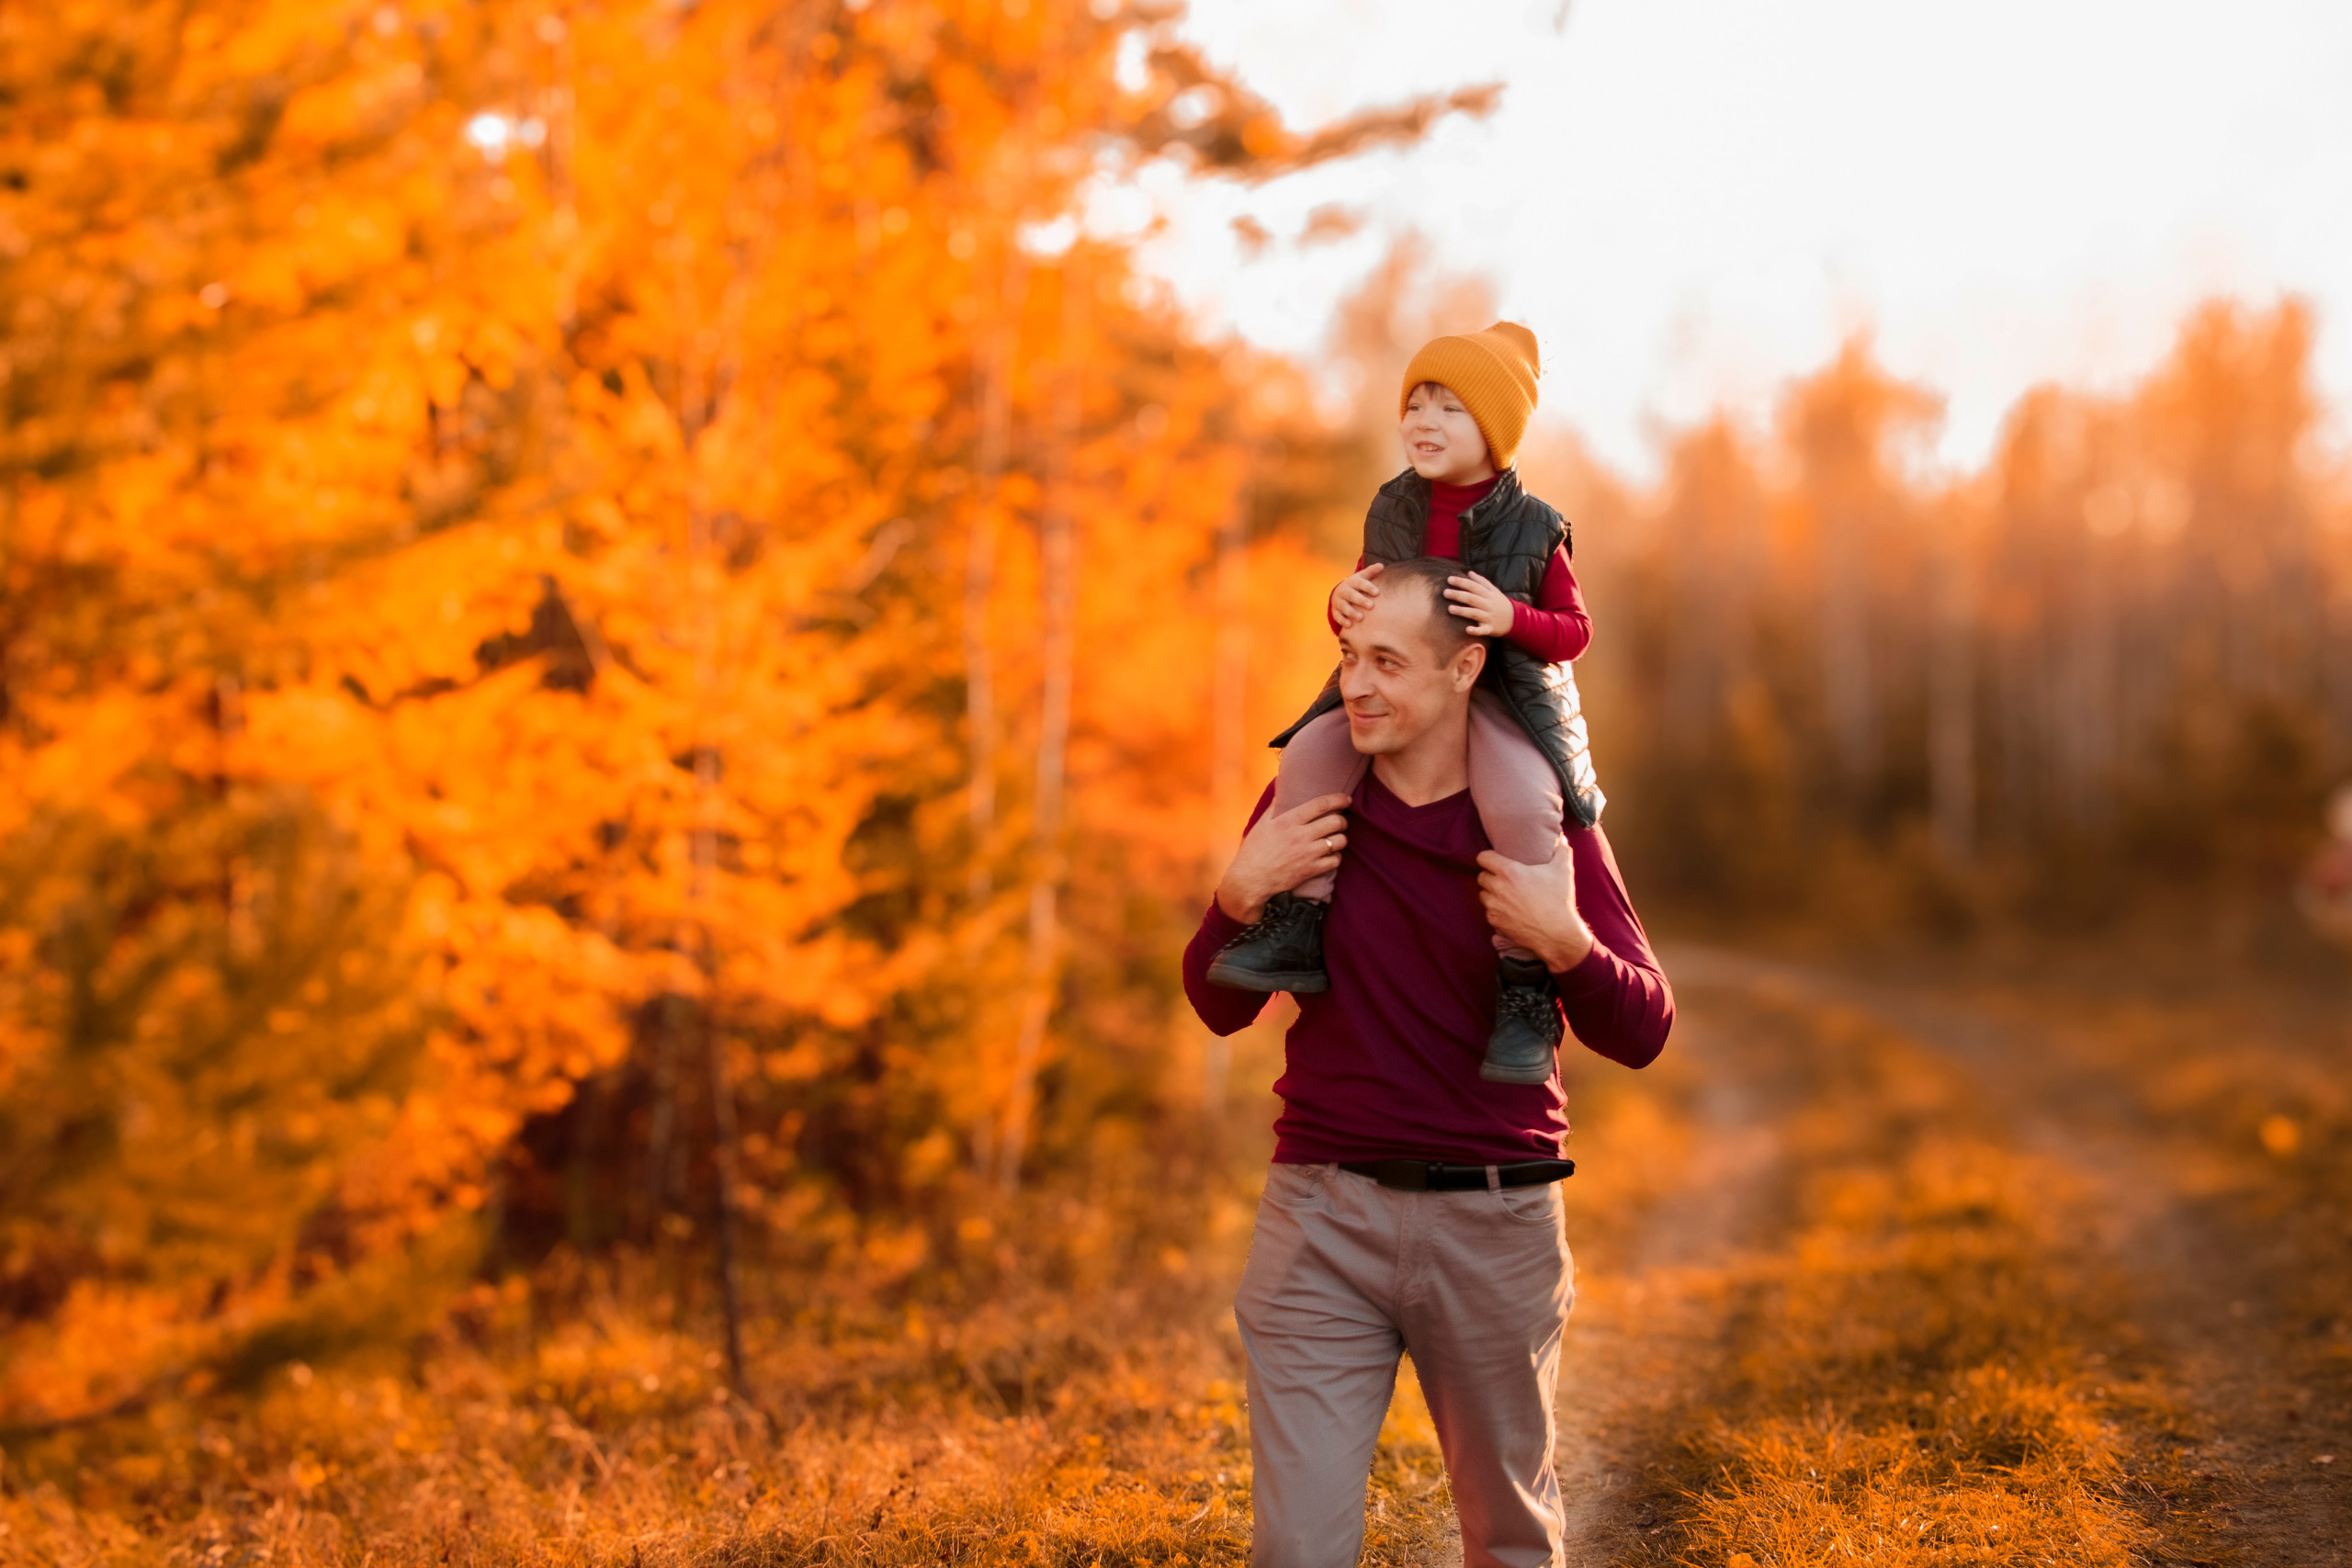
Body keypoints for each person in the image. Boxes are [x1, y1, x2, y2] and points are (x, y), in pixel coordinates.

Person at [1182, 558, 1670, 1568]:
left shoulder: (1544, 829)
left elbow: (1646, 1026)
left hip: (1496, 1225)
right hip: (1319, 1217)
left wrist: (1566, 942)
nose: (1356, 684)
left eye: (1387, 662)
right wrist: (1236, 899)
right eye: (1349, 657)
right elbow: (1217, 1006)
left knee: (1507, 1543)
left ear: (1463, 669)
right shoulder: (1304, 804)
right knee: (1296, 1552)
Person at [1204, 322, 1603, 1086]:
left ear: (1494, 431)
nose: (1423, 421)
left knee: (1522, 797)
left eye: (1449, 408)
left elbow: (1575, 633)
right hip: (1402, 692)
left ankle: (1523, 987)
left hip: (1501, 698)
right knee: (1314, 752)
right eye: (1415, 404)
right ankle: (1301, 921)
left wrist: (1512, 618)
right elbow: (1366, 602)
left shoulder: (1537, 526)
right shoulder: (1392, 504)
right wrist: (1340, 600)